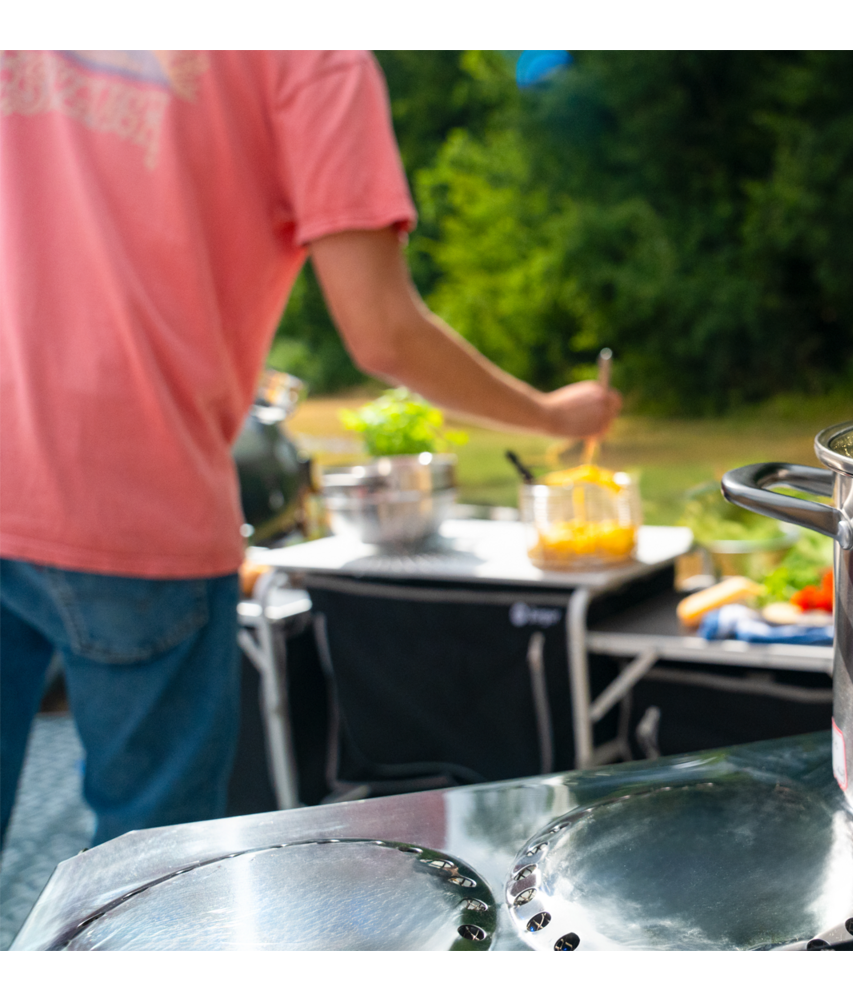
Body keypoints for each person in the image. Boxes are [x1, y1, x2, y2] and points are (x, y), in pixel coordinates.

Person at [0, 50, 620, 846]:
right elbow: (382, 331)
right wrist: (550, 415)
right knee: (143, 885)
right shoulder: (311, 52)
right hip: (131, 498)